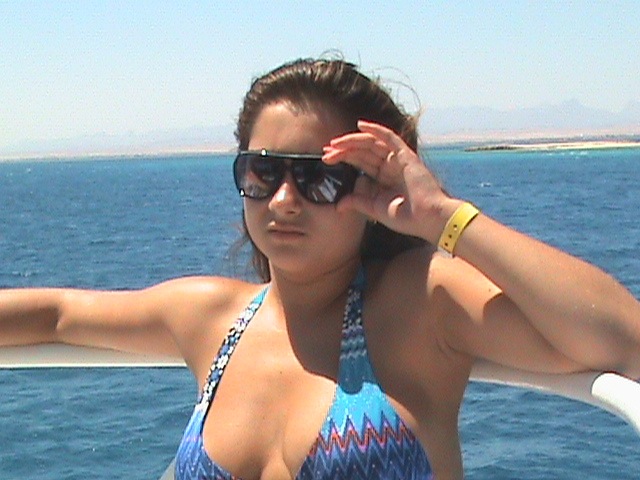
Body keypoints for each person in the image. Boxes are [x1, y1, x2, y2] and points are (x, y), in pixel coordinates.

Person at [1, 58, 639, 480]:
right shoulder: (212, 317)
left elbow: (623, 340)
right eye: (263, 172)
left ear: (371, 185)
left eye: (319, 178)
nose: (284, 200)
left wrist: (443, 217)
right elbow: (57, 315)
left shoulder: (420, 305)